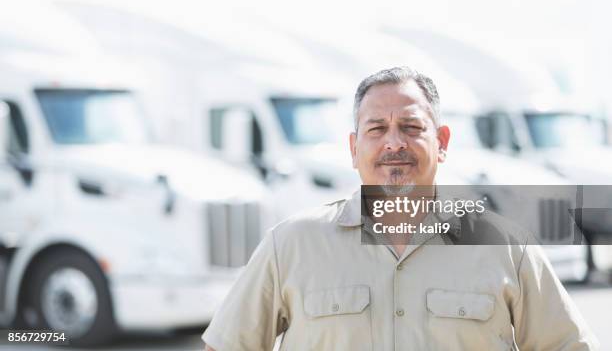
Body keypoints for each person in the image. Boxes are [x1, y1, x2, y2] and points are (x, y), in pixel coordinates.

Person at [202, 66, 599, 350]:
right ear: (353, 148)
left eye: (411, 127)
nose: (394, 143)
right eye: (376, 129)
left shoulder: (507, 248)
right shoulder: (290, 245)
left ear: (442, 142)